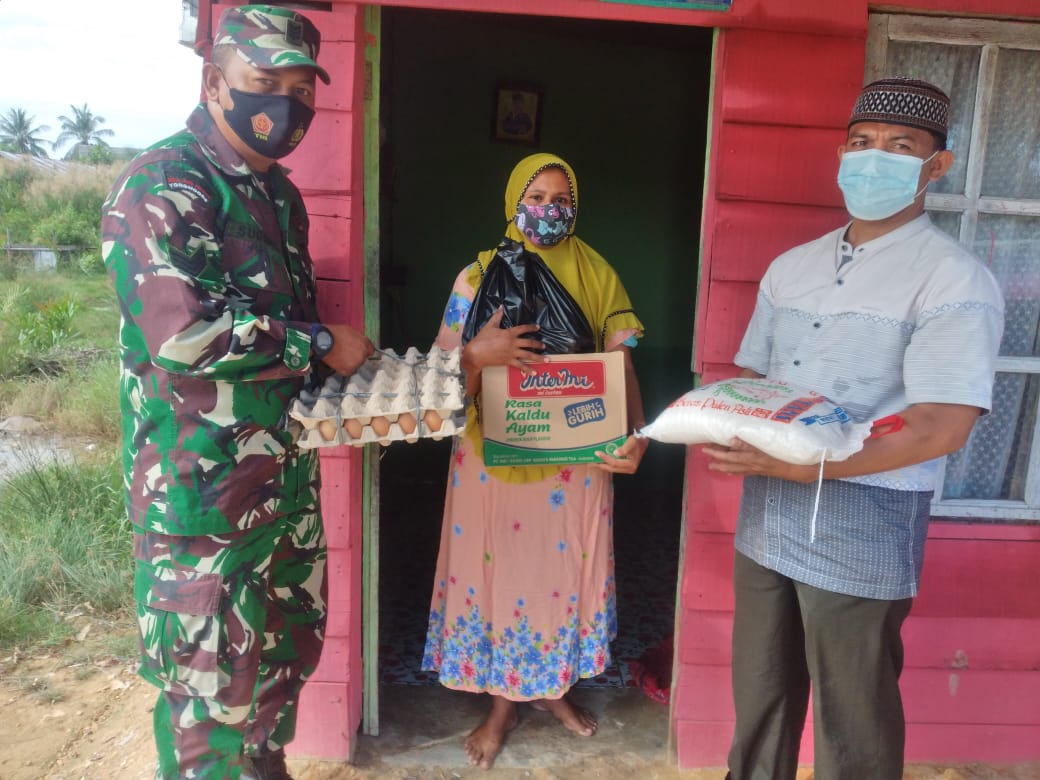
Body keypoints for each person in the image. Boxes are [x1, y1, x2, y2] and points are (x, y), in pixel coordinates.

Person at [703, 78, 1005, 779]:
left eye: (900, 147)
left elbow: (940, 426)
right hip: (768, 520)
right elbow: (754, 390)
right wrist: (661, 431)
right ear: (842, 152)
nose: (875, 160)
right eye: (862, 144)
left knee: (853, 719)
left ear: (937, 167)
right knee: (762, 697)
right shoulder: (792, 268)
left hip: (866, 523)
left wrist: (809, 466)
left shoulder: (953, 280)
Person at [101, 6, 373, 779]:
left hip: (280, 486)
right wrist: (318, 342)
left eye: (300, 90)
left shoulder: (276, 197)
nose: (284, 106)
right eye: (264, 83)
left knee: (283, 660)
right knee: (208, 692)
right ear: (216, 82)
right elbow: (181, 335)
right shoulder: (163, 182)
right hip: (201, 501)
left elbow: (277, 331)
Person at [421, 153, 649, 769]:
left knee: (559, 574)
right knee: (498, 574)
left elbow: (621, 361)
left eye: (560, 199)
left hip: (573, 458)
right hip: (491, 455)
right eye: (537, 197)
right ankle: (502, 705)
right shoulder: (477, 278)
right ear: (513, 202)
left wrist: (638, 431)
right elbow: (444, 371)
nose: (549, 211)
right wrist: (481, 352)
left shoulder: (597, 274)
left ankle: (551, 690)